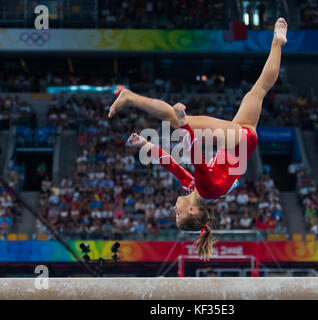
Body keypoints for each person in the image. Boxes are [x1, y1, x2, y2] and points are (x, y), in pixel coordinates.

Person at [108, 18, 288, 259]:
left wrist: (146, 144)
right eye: (178, 213)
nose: (174, 208)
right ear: (191, 210)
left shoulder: (196, 189)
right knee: (174, 119)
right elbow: (197, 158)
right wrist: (184, 126)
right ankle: (129, 97)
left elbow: (172, 165)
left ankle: (277, 42)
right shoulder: (206, 188)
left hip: (241, 139)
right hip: (238, 140)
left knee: (259, 89)